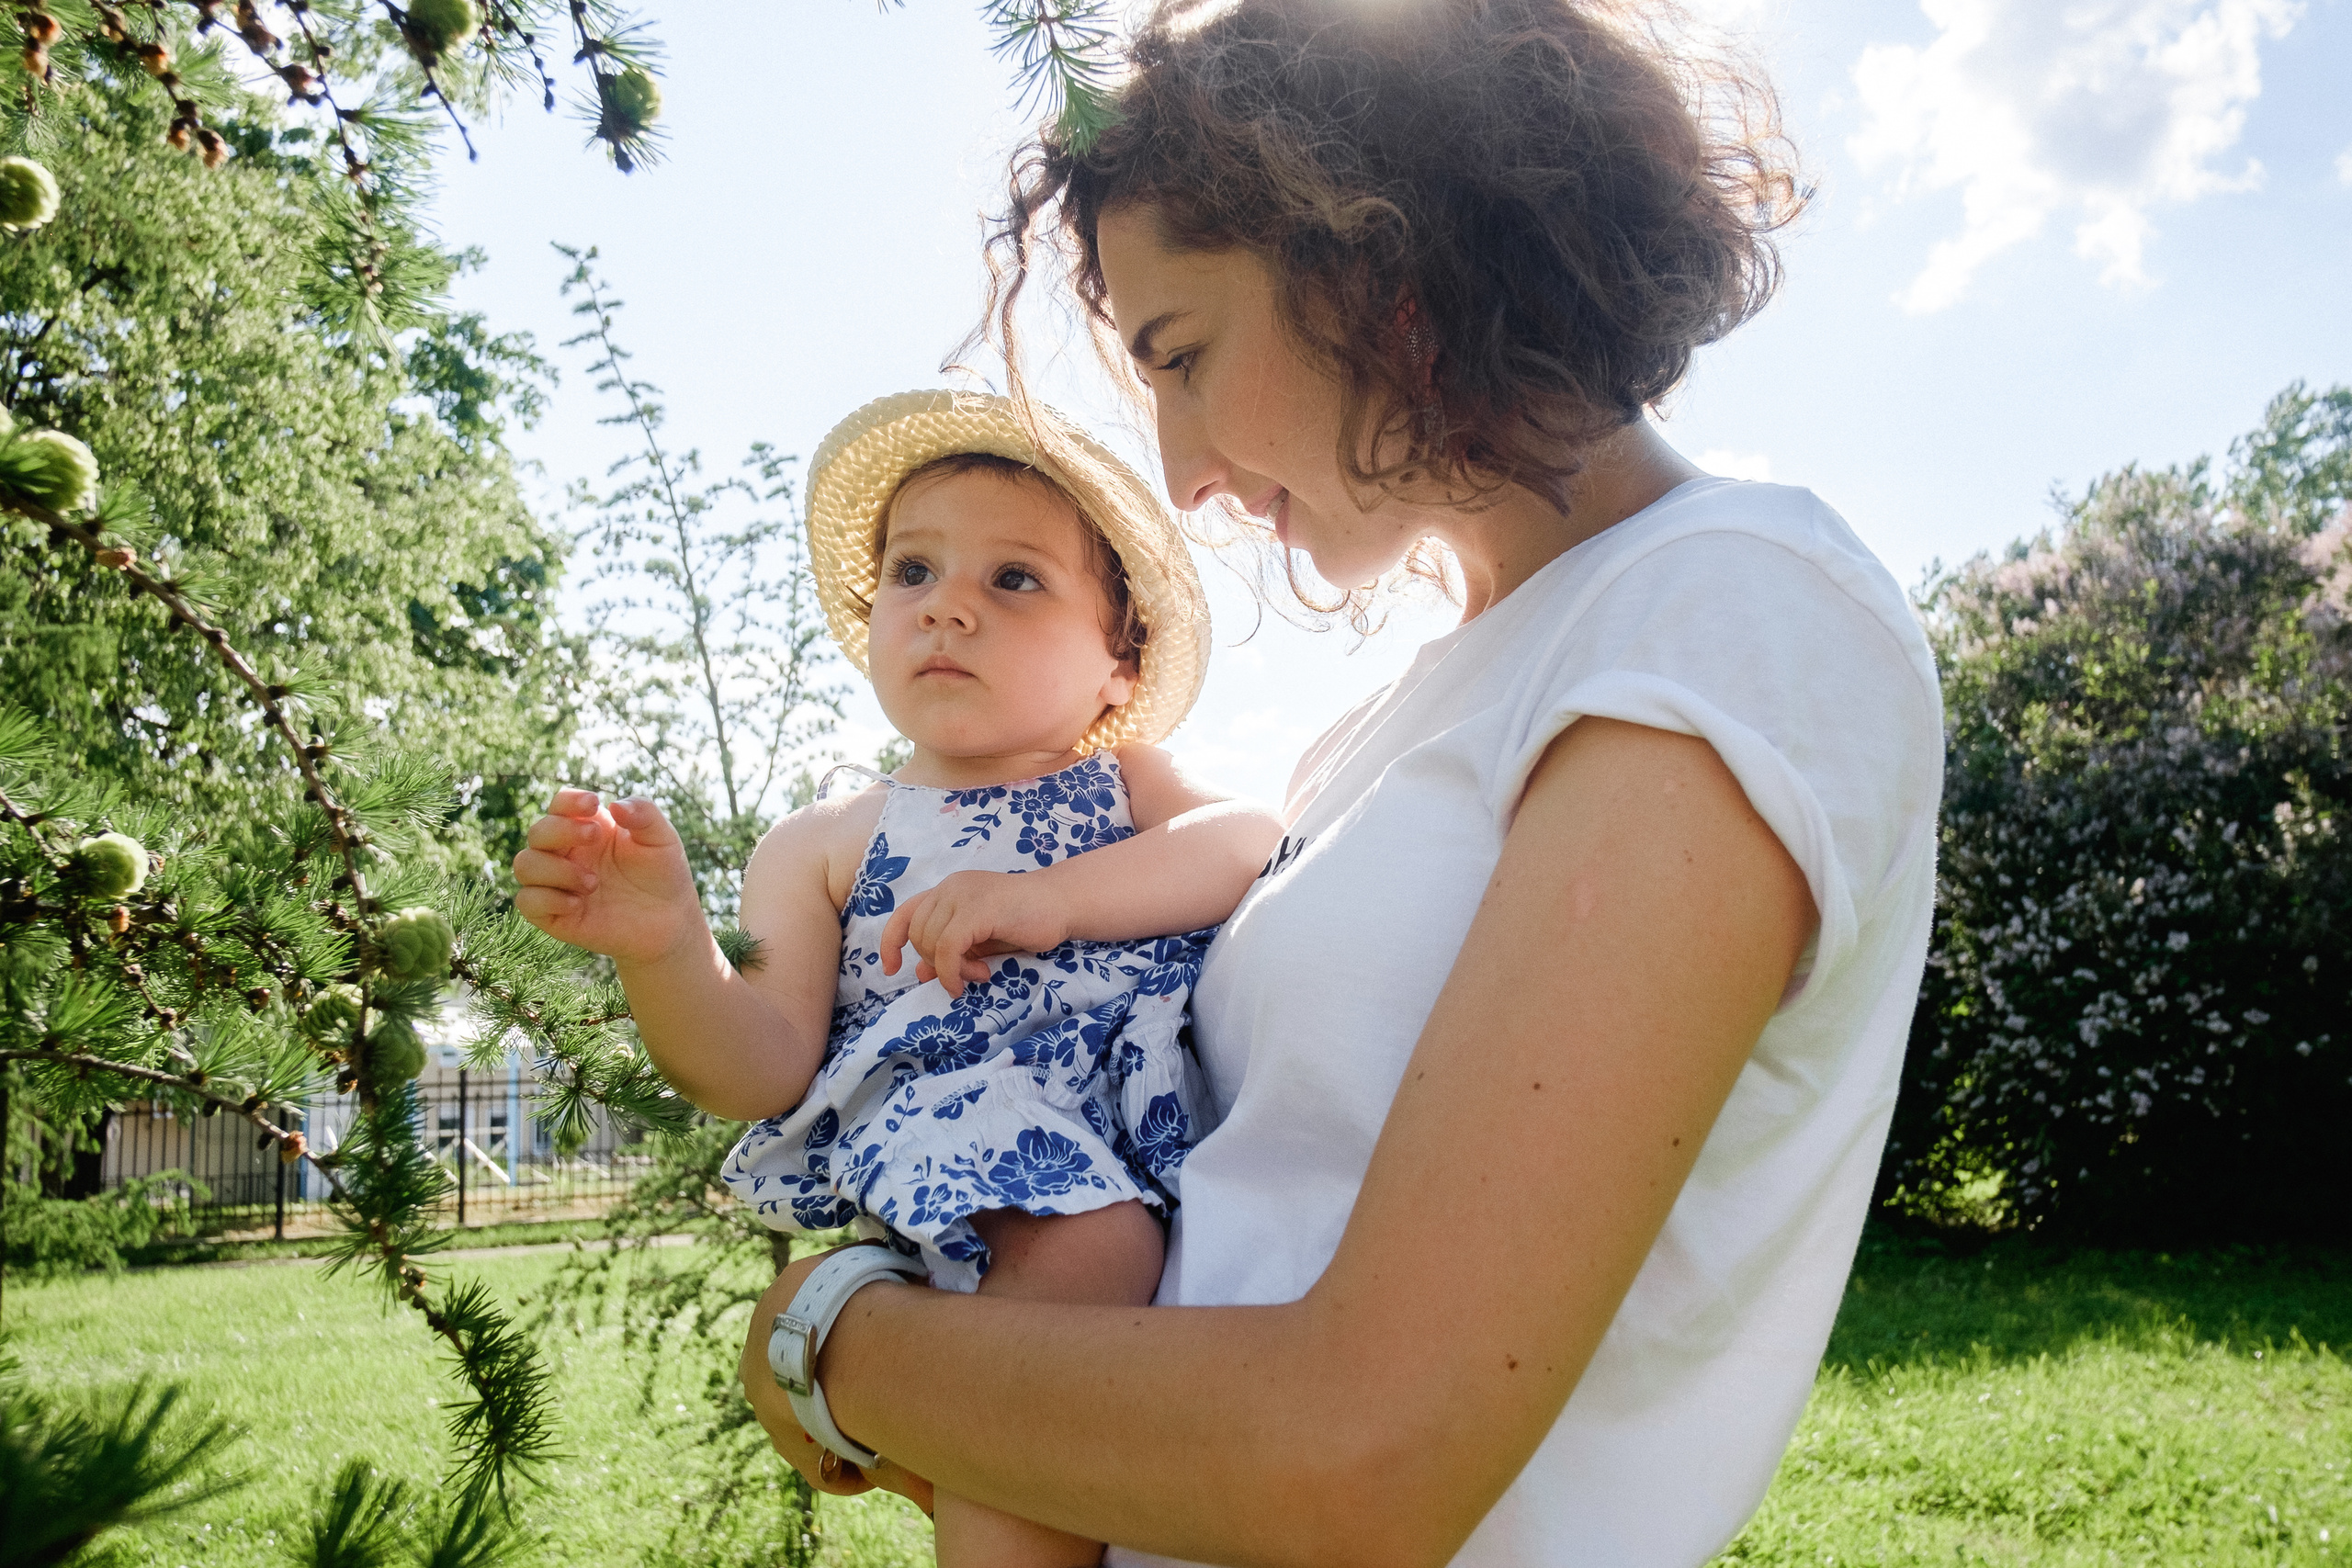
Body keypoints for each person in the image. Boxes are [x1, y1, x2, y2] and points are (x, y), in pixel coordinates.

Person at [736, 0, 1944, 1562]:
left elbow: (1361, 1457)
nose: (1180, 474)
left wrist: (832, 1339)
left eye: (1185, 356)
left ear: (1378, 269)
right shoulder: (1391, 726)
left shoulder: (1731, 609)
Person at [513, 389, 1284, 1567]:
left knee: (1110, 1396)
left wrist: (1055, 897)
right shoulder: (829, 839)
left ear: (1117, 667)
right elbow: (761, 1066)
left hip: (1141, 1122)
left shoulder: (1129, 786)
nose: (950, 609)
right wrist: (669, 950)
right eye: (914, 573)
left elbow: (1247, 845)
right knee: (1084, 1266)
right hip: (978, 1146)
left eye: (1013, 579)